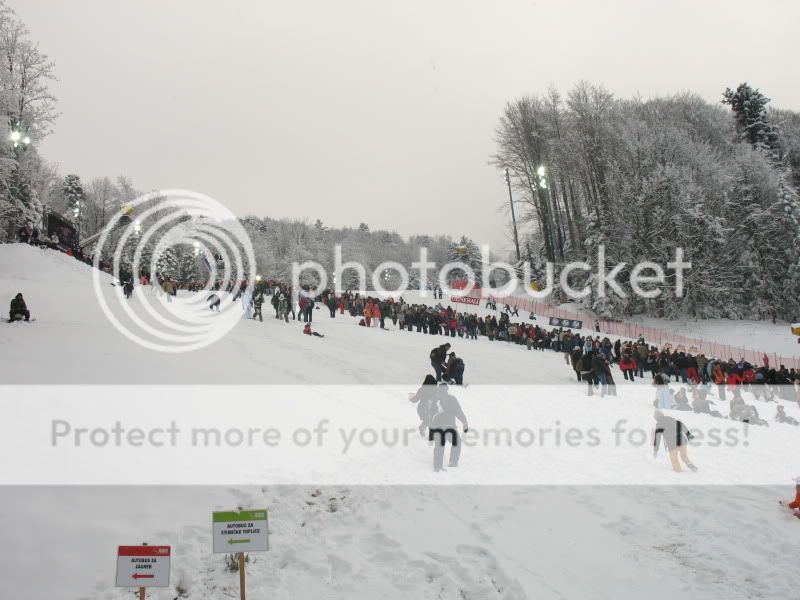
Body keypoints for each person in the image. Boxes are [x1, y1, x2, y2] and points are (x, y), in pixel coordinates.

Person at [429, 384, 469, 472]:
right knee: (457, 442)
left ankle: (437, 466)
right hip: (449, 426)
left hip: (437, 427)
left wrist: (431, 431)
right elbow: (458, 412)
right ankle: (453, 461)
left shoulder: (434, 399)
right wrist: (465, 422)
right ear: (447, 390)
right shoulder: (451, 398)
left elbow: (430, 415)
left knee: (439, 446)